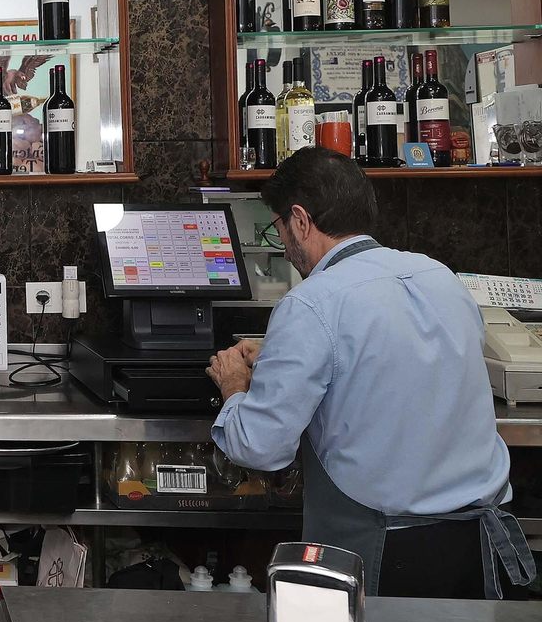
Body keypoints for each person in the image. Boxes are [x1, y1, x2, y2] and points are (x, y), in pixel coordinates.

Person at [208, 147, 534, 599]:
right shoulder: (439, 276)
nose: (282, 241)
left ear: (301, 220)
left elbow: (261, 446)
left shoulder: (310, 304)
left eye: (278, 227)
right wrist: (281, 353)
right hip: (478, 549)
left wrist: (235, 386)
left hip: (386, 553)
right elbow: (393, 358)